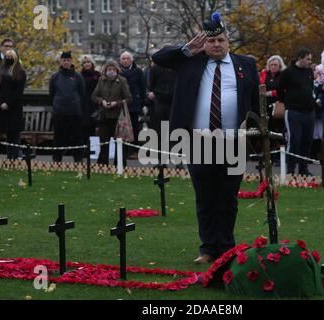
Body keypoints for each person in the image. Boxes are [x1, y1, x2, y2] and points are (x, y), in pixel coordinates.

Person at [152, 12, 260, 264]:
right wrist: (187, 48)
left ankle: (227, 248)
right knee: (205, 197)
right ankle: (208, 249)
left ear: (228, 41)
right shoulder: (190, 62)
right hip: (198, 141)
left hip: (234, 141)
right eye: (211, 41)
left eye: (221, 40)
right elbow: (158, 58)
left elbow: (255, 102)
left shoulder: (245, 65)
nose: (216, 45)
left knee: (228, 198)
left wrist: (257, 134)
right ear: (204, 43)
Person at [278, 48, 315, 176]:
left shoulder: (309, 72)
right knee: (295, 140)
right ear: (300, 58)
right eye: (307, 59)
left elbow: (310, 88)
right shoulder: (288, 72)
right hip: (294, 111)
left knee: (307, 140)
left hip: (309, 111)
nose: (310, 61)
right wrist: (287, 102)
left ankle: (303, 169)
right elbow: (279, 89)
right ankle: (290, 170)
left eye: (310, 59)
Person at [91, 60, 132, 165]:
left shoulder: (122, 81)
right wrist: (102, 101)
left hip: (118, 116)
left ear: (117, 70)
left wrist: (116, 103)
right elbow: (94, 96)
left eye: (113, 69)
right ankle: (102, 164)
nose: (111, 71)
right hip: (104, 115)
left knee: (119, 142)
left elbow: (128, 98)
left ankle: (119, 164)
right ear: (105, 70)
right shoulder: (101, 80)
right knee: (104, 141)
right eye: (109, 69)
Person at [49, 51, 85, 163]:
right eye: (64, 60)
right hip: (59, 112)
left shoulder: (78, 76)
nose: (66, 62)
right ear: (60, 61)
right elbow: (52, 93)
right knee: (58, 137)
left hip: (74, 112)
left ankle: (78, 160)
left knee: (77, 138)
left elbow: (82, 92)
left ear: (71, 61)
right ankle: (57, 160)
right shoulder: (54, 77)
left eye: (68, 60)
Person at [0, 49, 26, 159]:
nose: (9, 59)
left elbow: (18, 91)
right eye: (7, 56)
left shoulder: (20, 72)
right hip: (3, 107)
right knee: (8, 133)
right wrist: (1, 102)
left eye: (11, 56)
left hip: (14, 108)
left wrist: (8, 103)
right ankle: (9, 157)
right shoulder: (1, 71)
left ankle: (14, 157)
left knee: (15, 133)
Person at [119, 51, 146, 159]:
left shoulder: (138, 71)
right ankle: (123, 151)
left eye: (127, 59)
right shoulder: (118, 71)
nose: (126, 61)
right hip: (121, 105)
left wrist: (141, 102)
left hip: (134, 104)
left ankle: (135, 150)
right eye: (123, 59)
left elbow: (142, 87)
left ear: (132, 60)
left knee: (135, 128)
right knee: (123, 129)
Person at [259, 55, 286, 158]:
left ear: (280, 66)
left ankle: (280, 155)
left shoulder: (282, 75)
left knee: (279, 131)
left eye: (275, 65)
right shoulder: (265, 74)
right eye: (271, 65)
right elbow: (260, 86)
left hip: (278, 105)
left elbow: (283, 89)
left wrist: (271, 93)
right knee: (267, 130)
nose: (273, 67)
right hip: (266, 106)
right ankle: (267, 155)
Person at [80, 55, 101, 140]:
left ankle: (94, 152)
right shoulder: (79, 75)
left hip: (95, 104)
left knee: (94, 130)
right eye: (84, 63)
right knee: (84, 128)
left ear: (92, 63)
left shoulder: (97, 75)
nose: (87, 64)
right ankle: (84, 151)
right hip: (83, 105)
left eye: (88, 62)